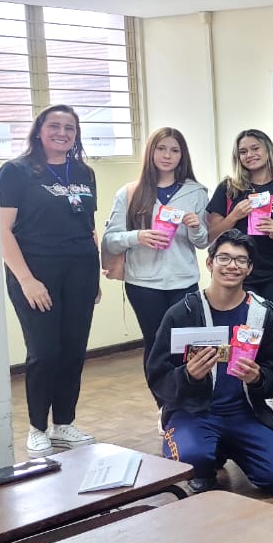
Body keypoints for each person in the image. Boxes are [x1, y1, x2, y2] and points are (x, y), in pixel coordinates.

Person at [145, 230, 273, 494]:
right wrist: (188, 376)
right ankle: (207, 453)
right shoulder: (182, 313)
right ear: (210, 263)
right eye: (224, 258)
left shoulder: (263, 313)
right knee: (192, 464)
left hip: (245, 414)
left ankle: (223, 446)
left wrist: (258, 378)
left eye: (241, 260)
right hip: (193, 413)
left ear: (249, 268)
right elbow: (157, 376)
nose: (232, 266)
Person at [0, 105, 101, 457]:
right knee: (44, 352)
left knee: (73, 349)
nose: (62, 133)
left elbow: (89, 227)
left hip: (80, 271)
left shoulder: (84, 172)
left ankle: (64, 423)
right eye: (54, 126)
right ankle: (38, 428)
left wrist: (94, 275)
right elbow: (3, 231)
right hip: (36, 271)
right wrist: (26, 279)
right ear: (39, 131)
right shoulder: (15, 171)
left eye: (69, 127)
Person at [103, 127, 210, 395]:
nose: (167, 155)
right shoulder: (130, 192)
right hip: (143, 283)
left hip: (183, 281)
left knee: (184, 346)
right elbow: (110, 241)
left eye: (174, 150)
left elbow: (202, 242)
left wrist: (196, 226)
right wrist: (138, 236)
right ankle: (164, 404)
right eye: (161, 148)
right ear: (151, 152)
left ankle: (185, 400)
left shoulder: (196, 192)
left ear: (182, 156)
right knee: (156, 345)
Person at [207, 129, 273, 324]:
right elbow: (212, 235)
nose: (250, 155)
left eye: (255, 148)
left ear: (267, 150)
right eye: (243, 151)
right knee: (242, 329)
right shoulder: (229, 188)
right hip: (237, 272)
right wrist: (234, 216)